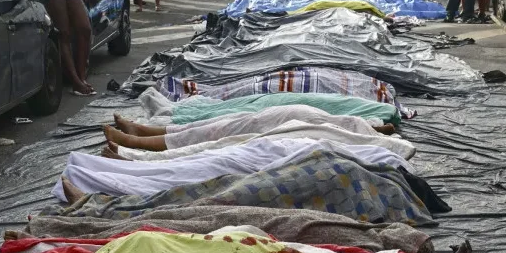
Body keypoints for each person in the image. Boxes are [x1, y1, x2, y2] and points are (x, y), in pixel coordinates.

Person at [104, 108, 397, 151]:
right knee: (235, 120)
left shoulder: (358, 140)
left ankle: (141, 143)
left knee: (230, 136)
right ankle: (145, 132)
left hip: (298, 129)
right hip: (303, 119)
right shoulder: (355, 125)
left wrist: (376, 129)